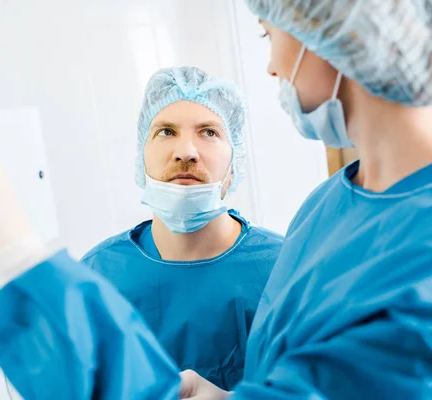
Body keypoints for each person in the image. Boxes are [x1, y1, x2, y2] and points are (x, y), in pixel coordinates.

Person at [0, 0, 432, 398]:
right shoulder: (332, 206)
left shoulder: (424, 282)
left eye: (269, 32)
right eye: (165, 132)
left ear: (337, 24)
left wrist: (5, 255)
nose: (272, 63)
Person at [81, 66, 282, 390]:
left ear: (235, 163)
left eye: (209, 132)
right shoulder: (98, 275)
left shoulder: (285, 270)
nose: (186, 152)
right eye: (166, 132)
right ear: (141, 157)